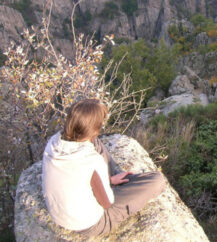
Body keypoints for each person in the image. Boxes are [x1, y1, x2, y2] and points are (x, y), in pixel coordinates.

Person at [42, 99, 166, 237]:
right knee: (157, 180)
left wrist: (108, 179)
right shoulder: (92, 160)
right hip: (91, 224)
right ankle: (115, 181)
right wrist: (107, 183)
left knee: (94, 141)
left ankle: (110, 179)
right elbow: (107, 203)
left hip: (60, 215)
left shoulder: (53, 142)